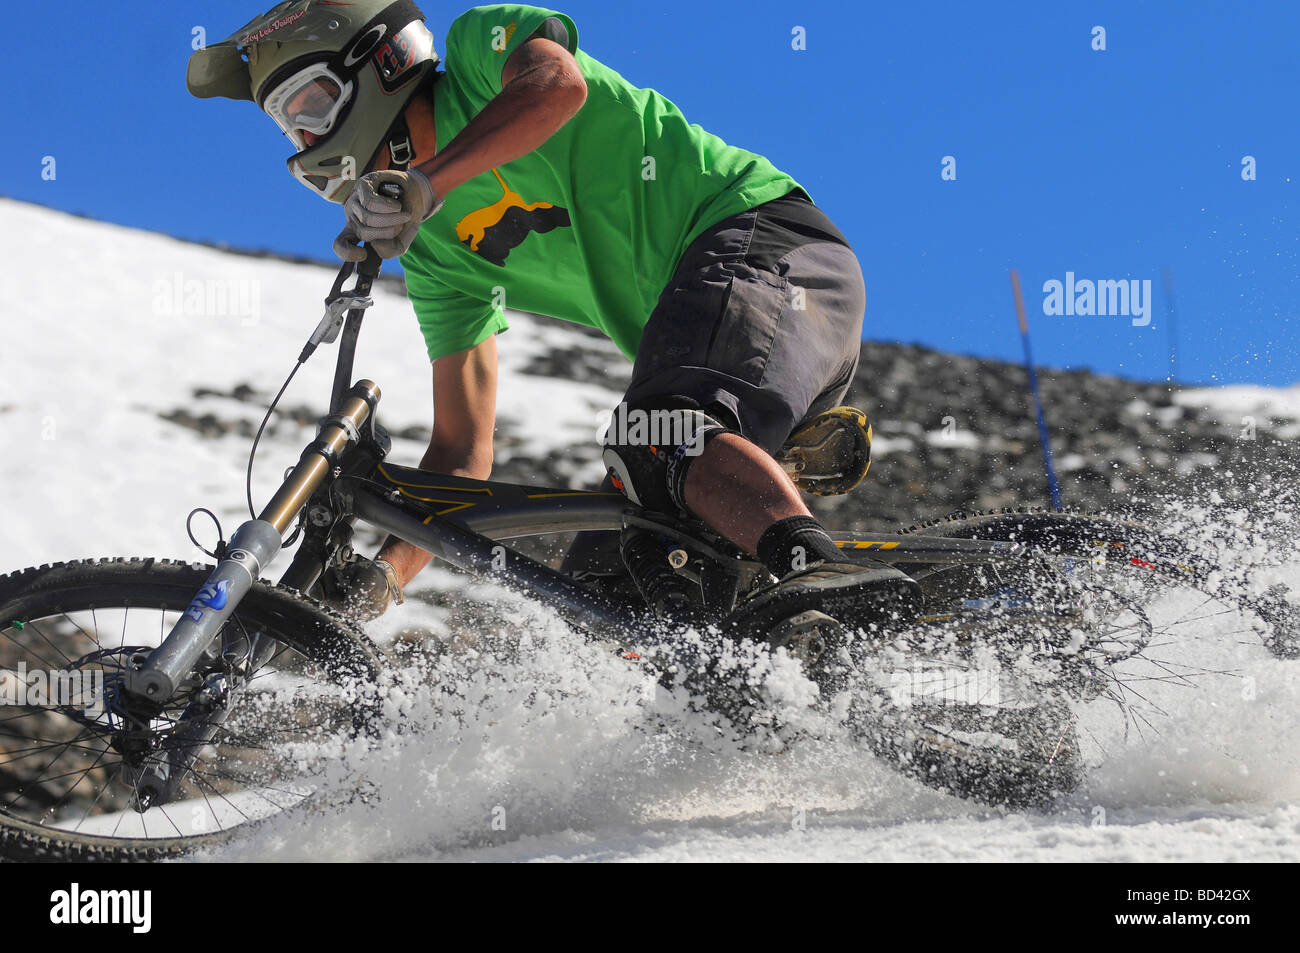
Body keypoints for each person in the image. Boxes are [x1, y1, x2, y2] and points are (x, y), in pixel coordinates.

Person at [187, 0, 920, 636]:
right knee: (604, 598)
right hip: (714, 353)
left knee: (657, 433)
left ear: (381, 59)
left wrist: (426, 183)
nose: (308, 141)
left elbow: (557, 86)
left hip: (766, 245)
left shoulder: (479, 53)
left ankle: (816, 573)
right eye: (289, 128)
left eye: (309, 106)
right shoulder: (438, 257)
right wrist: (384, 582)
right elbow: (461, 455)